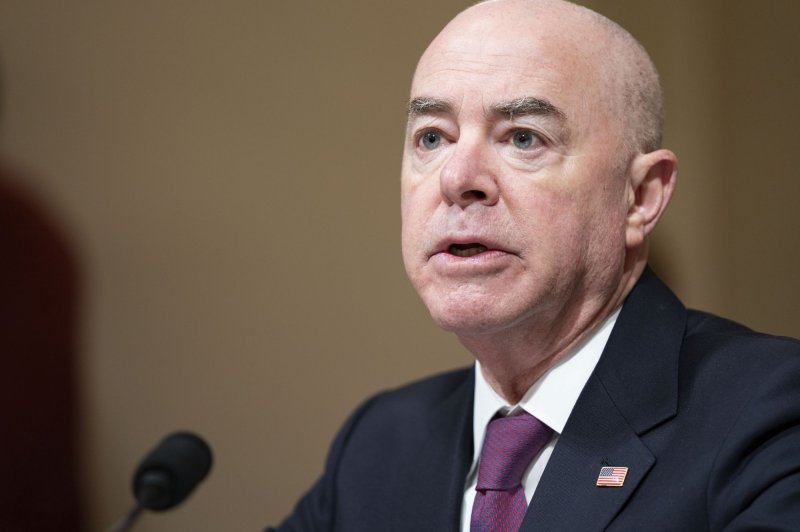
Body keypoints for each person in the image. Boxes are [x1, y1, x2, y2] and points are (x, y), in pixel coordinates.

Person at [269, 0, 800, 530]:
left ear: (639, 197)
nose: (459, 178)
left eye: (523, 137)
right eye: (432, 137)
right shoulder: (379, 446)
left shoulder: (769, 415)